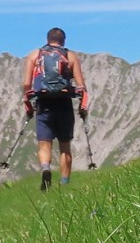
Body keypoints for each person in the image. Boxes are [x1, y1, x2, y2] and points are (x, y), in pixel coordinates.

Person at [21, 28, 89, 190]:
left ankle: (46, 168)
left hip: (43, 105)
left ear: (47, 39)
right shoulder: (69, 56)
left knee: (44, 144)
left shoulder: (35, 55)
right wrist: (82, 108)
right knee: (65, 146)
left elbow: (26, 84)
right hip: (64, 104)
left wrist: (28, 106)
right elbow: (81, 86)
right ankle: (64, 183)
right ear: (63, 40)